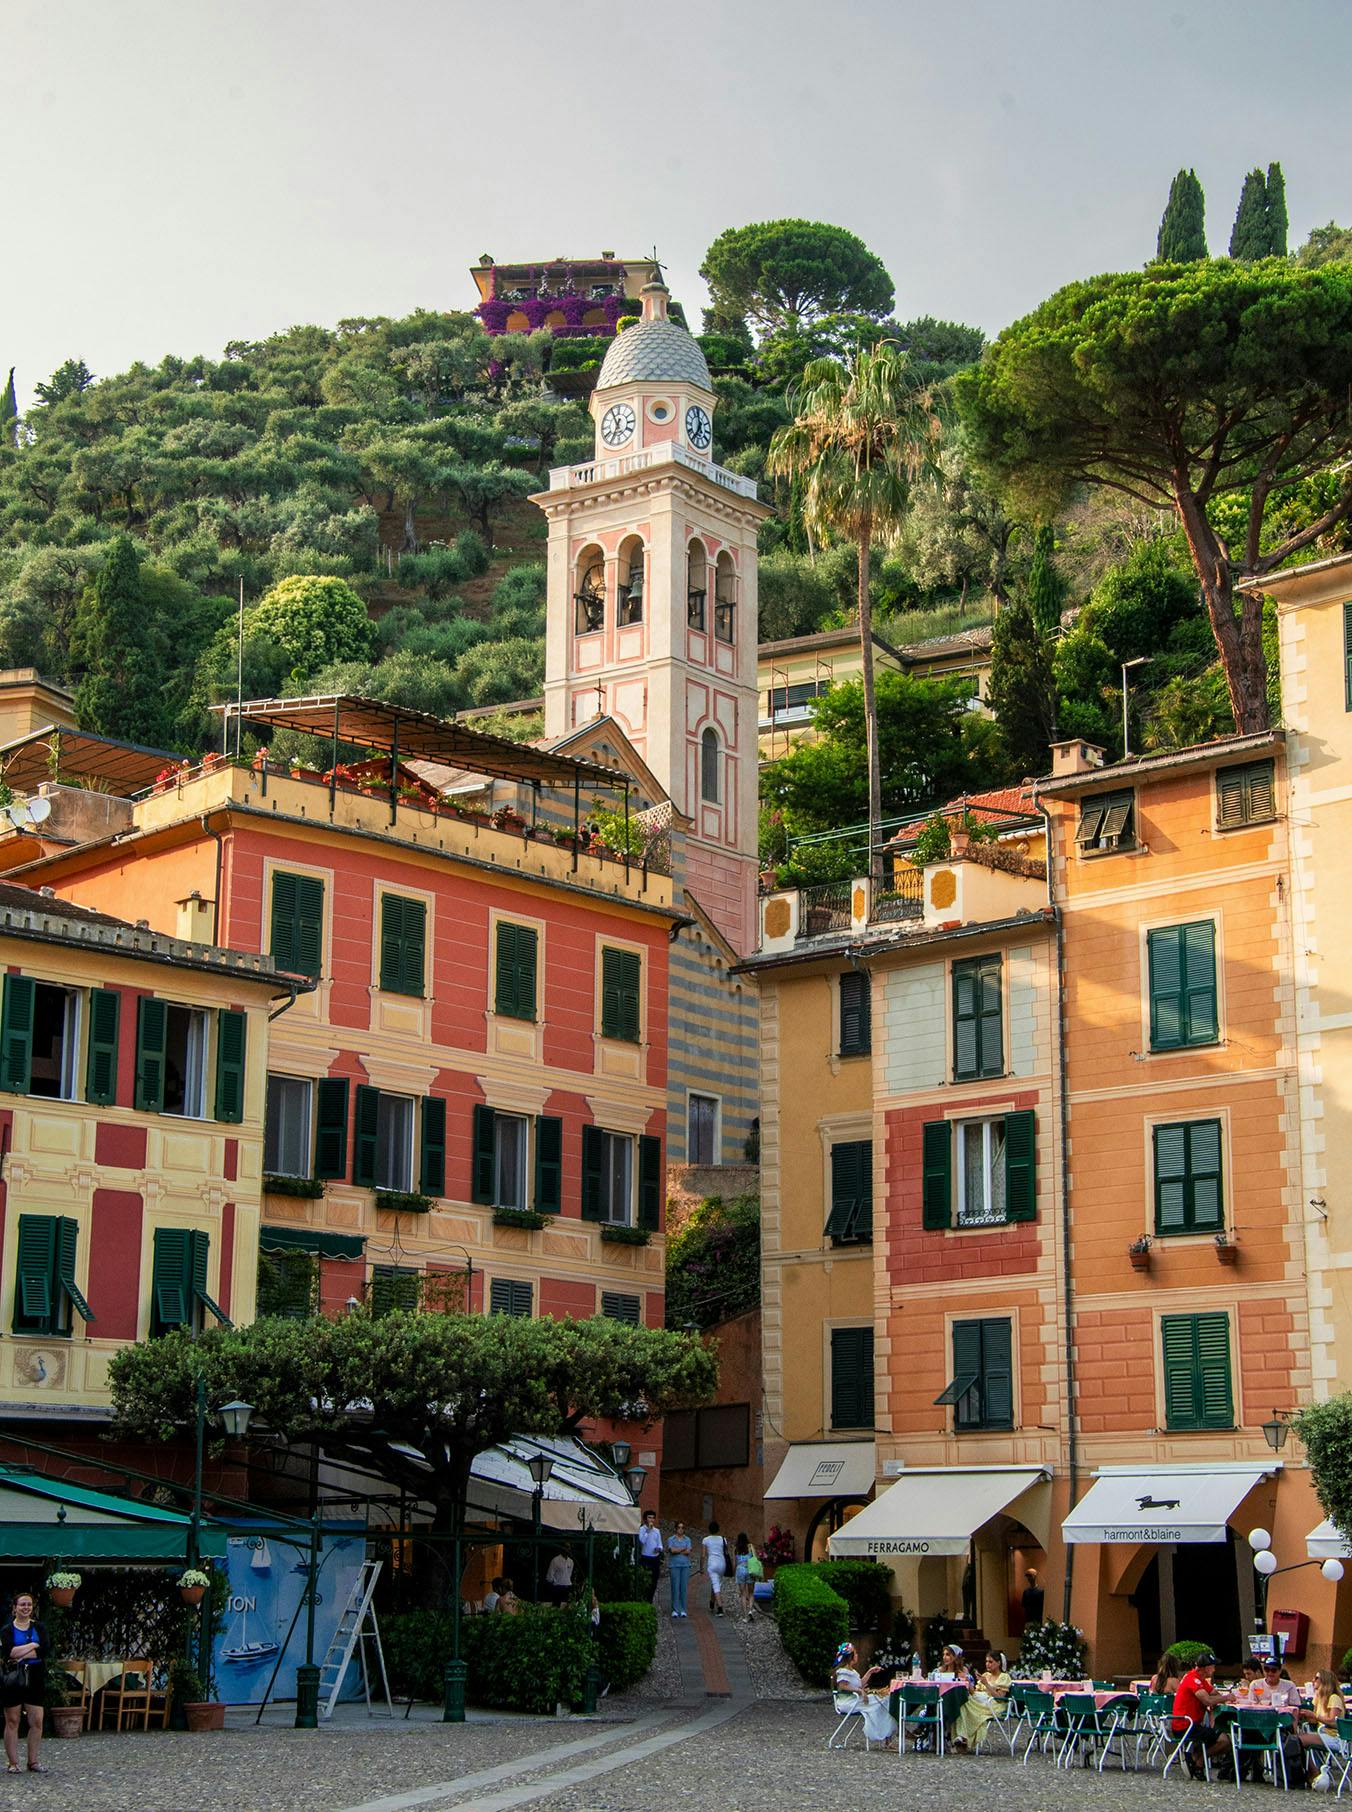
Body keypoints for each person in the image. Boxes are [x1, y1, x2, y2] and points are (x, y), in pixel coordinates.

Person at [1, 1592, 46, 1775]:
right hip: (13, 1676)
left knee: (36, 1720)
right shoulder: (6, 1630)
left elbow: (45, 1650)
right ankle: (13, 1762)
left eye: (29, 1604)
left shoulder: (40, 1628)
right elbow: (9, 1653)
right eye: (22, 1605)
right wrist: (33, 1646)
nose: (26, 1608)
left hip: (35, 1675)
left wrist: (23, 1652)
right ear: (14, 1608)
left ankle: (33, 1761)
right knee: (12, 1720)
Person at [1171, 1649, 1234, 1778]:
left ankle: (1196, 1758)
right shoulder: (1192, 1679)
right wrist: (1227, 1697)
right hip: (1185, 1725)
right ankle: (1198, 1761)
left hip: (1192, 1724)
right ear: (1206, 1668)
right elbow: (1207, 1700)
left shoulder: (1201, 1680)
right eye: (1213, 1666)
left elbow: (1214, 1693)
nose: (1215, 1669)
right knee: (1225, 1741)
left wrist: (1220, 1698)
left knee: (1221, 1736)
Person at [833, 1641, 897, 1748]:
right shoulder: (843, 1671)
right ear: (851, 1656)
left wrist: (870, 1672)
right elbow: (842, 1686)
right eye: (856, 1653)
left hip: (855, 1700)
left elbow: (860, 1683)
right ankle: (887, 1735)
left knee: (884, 1700)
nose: (857, 1655)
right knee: (881, 1701)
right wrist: (859, 1691)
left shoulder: (852, 1671)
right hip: (847, 1702)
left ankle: (888, 1736)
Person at [954, 1650, 1012, 1750]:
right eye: (986, 1661)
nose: (988, 1664)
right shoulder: (986, 1675)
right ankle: (962, 1736)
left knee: (966, 1705)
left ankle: (964, 1736)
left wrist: (986, 1684)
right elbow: (975, 1693)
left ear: (998, 1663)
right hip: (980, 1701)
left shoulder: (1004, 1677)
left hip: (994, 1704)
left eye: (990, 1662)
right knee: (963, 1704)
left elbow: (1000, 1698)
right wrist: (968, 1683)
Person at [1299, 1670, 1346, 1783]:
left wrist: (1314, 1716)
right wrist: (1304, 1715)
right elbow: (1314, 1721)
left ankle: (1313, 1772)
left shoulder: (1334, 1698)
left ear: (1324, 1681)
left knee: (1299, 1739)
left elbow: (1334, 1722)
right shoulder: (1319, 1698)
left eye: (1316, 1678)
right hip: (1323, 1734)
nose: (1313, 1680)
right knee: (1294, 1738)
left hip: (1334, 1737)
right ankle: (1311, 1772)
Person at [701, 1520, 729, 1615]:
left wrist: (701, 1567)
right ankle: (712, 1602)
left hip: (712, 1564)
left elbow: (703, 1555)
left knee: (716, 1585)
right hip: (722, 1564)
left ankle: (720, 1607)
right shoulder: (723, 1539)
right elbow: (726, 1552)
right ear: (718, 1529)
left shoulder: (706, 1540)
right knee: (716, 1582)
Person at [666, 1522, 692, 1619]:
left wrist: (677, 1550)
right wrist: (682, 1549)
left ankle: (683, 1609)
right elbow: (671, 1550)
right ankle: (675, 1609)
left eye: (682, 1528)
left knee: (683, 1588)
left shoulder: (687, 1539)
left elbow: (688, 1551)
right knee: (675, 1587)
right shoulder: (671, 1539)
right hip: (674, 1565)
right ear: (676, 1529)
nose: (681, 1529)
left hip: (685, 1565)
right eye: (679, 1527)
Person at [637, 1511, 664, 1602]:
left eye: (653, 1518)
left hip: (655, 1558)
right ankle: (644, 1599)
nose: (651, 1520)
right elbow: (642, 1541)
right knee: (646, 1580)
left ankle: (650, 1600)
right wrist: (648, 1530)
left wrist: (659, 1548)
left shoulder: (657, 1531)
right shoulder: (642, 1529)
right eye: (649, 1517)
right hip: (645, 1557)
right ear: (645, 1519)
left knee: (654, 1580)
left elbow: (660, 1544)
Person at [733, 1533, 756, 1620]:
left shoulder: (736, 1549)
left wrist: (733, 1573)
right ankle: (750, 1610)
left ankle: (745, 1615)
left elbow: (734, 1563)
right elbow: (755, 1558)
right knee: (751, 1593)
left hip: (740, 1570)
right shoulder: (750, 1547)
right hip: (750, 1570)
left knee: (742, 1594)